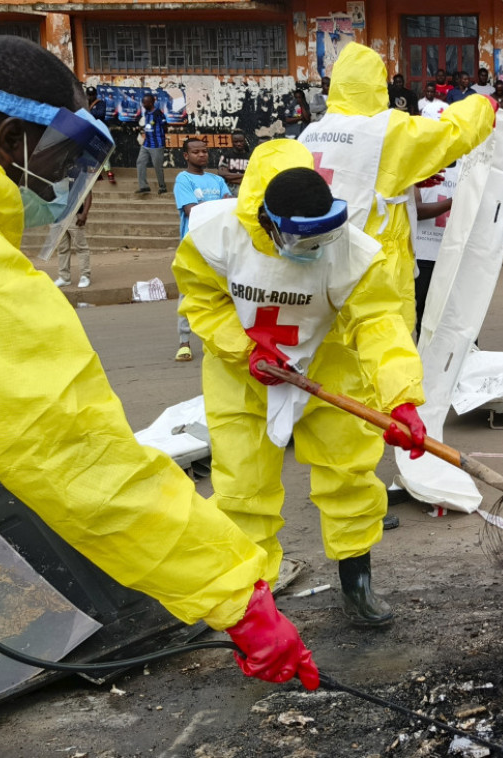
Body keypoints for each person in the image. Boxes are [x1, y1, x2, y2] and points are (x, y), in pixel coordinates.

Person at [0, 35, 317, 690]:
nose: (56, 184)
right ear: (8, 140)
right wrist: (234, 596)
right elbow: (79, 459)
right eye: (58, 160)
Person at [172, 141, 427, 627]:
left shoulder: (352, 251)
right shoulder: (214, 235)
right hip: (240, 379)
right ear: (265, 221)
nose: (310, 253)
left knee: (349, 474)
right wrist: (243, 348)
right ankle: (253, 604)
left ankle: (357, 583)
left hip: (328, 367)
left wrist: (402, 398)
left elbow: (379, 325)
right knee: (242, 490)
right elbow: (201, 299)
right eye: (299, 243)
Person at [299, 42, 496, 334]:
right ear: (378, 85)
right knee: (385, 355)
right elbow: (450, 135)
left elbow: (358, 176)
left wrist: (405, 177)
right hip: (376, 269)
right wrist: (481, 106)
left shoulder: (311, 133)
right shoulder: (384, 130)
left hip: (323, 265)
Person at [174, 137, 231, 362]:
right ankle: (184, 342)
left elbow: (229, 204)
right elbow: (192, 211)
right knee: (188, 293)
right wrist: (217, 207)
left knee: (222, 292)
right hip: (193, 246)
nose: (202, 155)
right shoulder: (183, 179)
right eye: (196, 152)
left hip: (217, 243)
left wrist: (212, 207)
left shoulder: (216, 180)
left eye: (205, 151)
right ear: (186, 156)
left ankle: (218, 340)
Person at [413, 162, 459, 331]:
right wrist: (453, 201)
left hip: (454, 255)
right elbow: (416, 209)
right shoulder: (420, 166)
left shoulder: (465, 168)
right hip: (424, 254)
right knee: (425, 316)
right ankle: (425, 356)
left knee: (456, 315)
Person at [53, 192, 92, 289]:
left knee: (81, 246)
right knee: (62, 248)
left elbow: (88, 193)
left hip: (75, 214)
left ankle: (85, 275)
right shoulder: (55, 177)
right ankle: (64, 277)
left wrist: (84, 214)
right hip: (58, 215)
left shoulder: (78, 176)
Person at [136, 93, 168, 195]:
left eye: (145, 103)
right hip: (146, 144)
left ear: (151, 102)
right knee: (140, 162)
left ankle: (162, 187)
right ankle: (144, 186)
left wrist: (159, 134)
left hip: (157, 144)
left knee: (157, 166)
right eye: (143, 103)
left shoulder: (158, 113)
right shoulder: (146, 113)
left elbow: (165, 126)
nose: (143, 104)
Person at [86, 85, 114, 184]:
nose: (90, 97)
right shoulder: (84, 103)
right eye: (89, 95)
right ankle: (98, 174)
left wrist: (89, 112)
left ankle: (109, 172)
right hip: (89, 130)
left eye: (92, 95)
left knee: (102, 151)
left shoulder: (100, 103)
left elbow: (100, 114)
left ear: (95, 95)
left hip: (100, 130)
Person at [218, 130, 251, 196]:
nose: (238, 144)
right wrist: (244, 175)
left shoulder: (251, 156)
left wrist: (231, 177)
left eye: (241, 141)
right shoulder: (226, 156)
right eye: (236, 142)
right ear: (232, 142)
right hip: (230, 189)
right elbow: (222, 174)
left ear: (244, 141)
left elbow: (252, 177)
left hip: (247, 188)